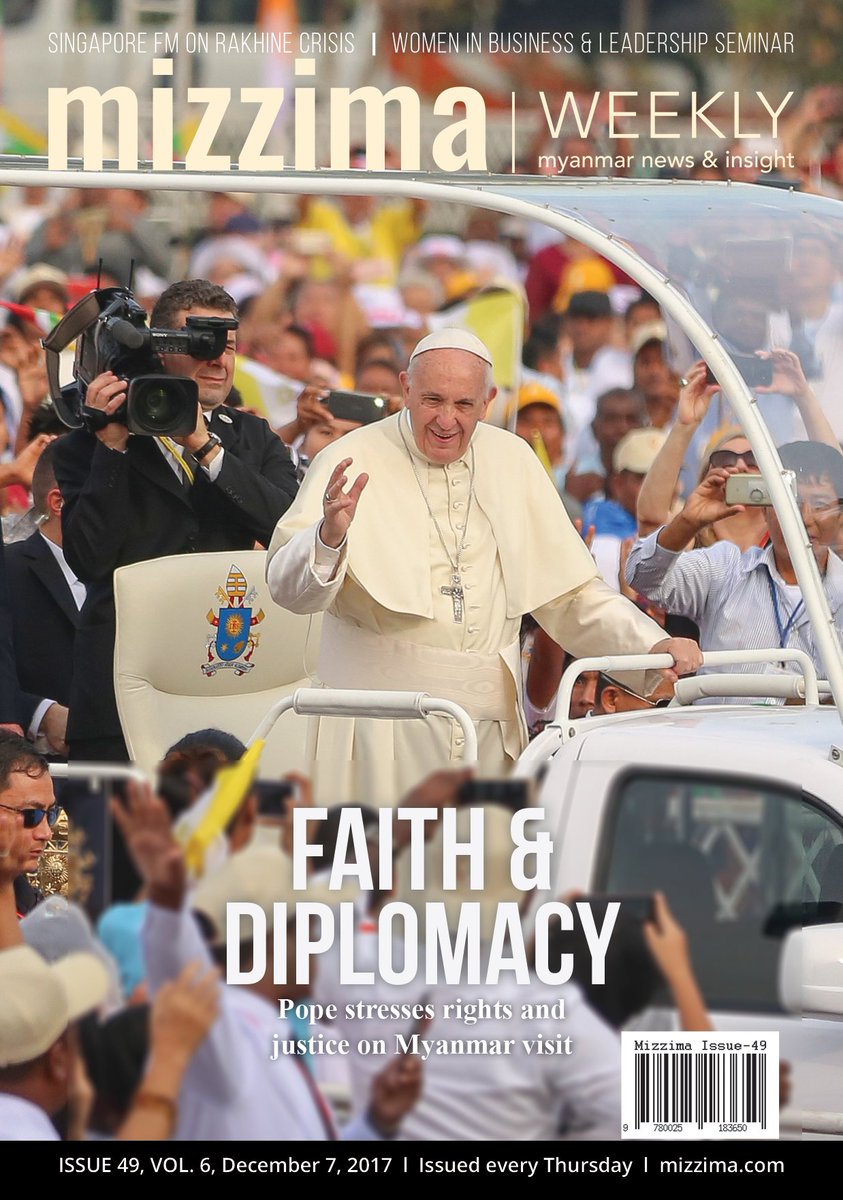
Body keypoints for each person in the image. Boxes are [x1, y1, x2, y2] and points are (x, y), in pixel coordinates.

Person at [266, 328, 701, 803]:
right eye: (432, 400)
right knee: (378, 853)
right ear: (406, 388)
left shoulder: (513, 460)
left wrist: (653, 646)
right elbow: (289, 591)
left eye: (464, 404)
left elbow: (571, 597)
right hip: (374, 732)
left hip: (487, 737)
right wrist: (328, 537)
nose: (446, 420)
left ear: (488, 402)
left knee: (481, 854)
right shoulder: (348, 458)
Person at [53, 279, 300, 765]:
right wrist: (111, 448)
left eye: (229, 345)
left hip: (227, 683)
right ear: (160, 348)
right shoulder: (87, 445)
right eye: (201, 342)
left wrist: (206, 447)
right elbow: (89, 560)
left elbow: (288, 532)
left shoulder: (253, 438)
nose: (218, 360)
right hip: (120, 694)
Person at [626, 439, 843, 694]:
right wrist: (687, 521)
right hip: (727, 722)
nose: (804, 518)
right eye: (790, 502)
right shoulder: (726, 569)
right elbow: (641, 576)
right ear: (765, 509)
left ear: (840, 515)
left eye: (820, 505)